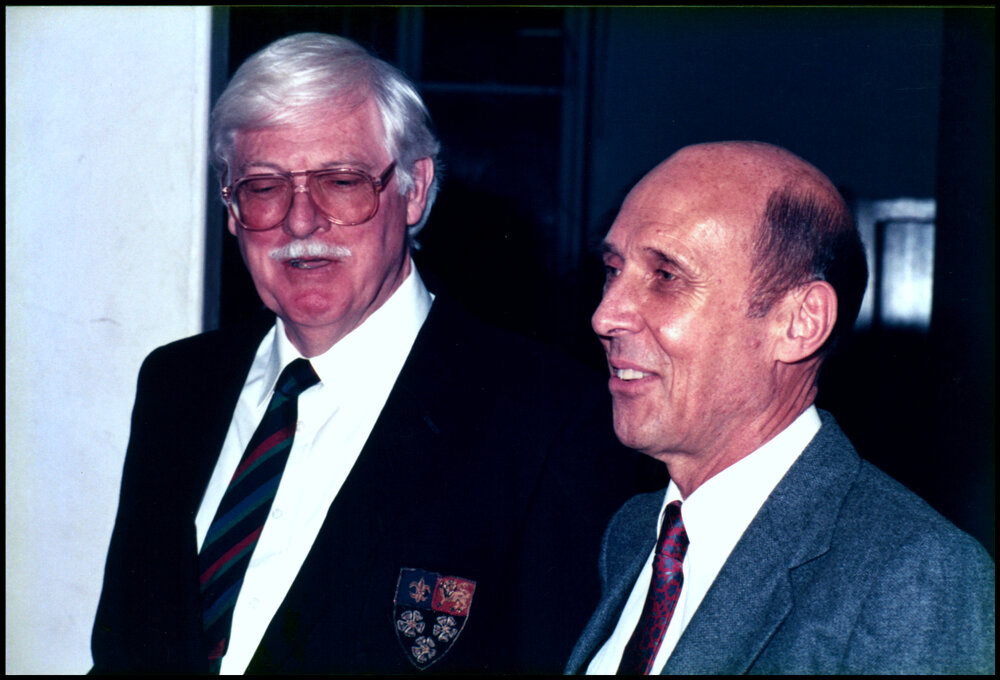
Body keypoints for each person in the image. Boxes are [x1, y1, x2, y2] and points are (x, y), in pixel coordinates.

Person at [90, 32, 660, 674]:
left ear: (414, 190)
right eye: (264, 187)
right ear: (229, 206)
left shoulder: (549, 420)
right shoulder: (177, 384)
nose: (300, 223)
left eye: (340, 181)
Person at [566, 141, 995, 675]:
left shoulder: (913, 576)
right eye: (613, 270)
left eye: (666, 277)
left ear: (801, 323)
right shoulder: (633, 531)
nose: (605, 316)